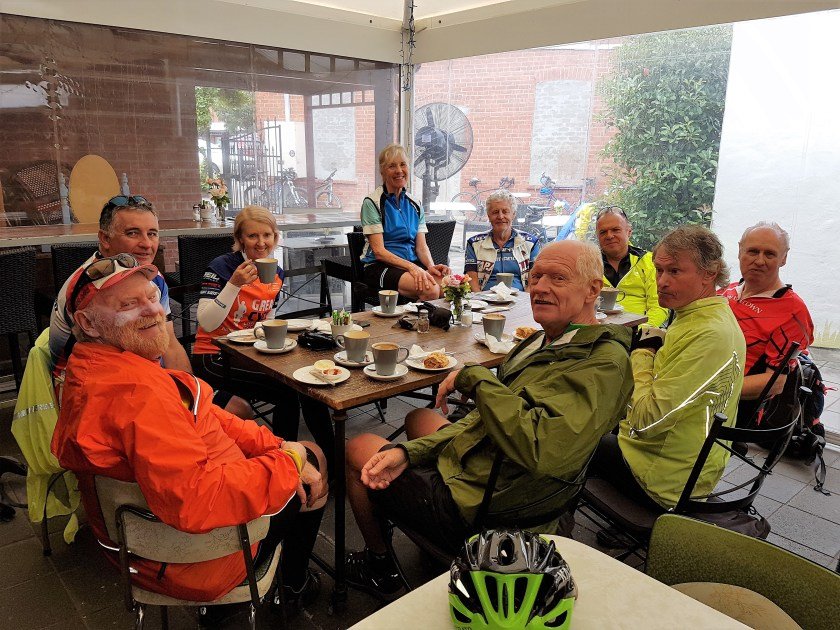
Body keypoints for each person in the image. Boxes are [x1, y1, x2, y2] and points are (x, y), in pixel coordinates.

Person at [344, 240, 634, 599]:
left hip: (495, 511)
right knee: (420, 418)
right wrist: (411, 453)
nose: (540, 287)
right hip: (503, 477)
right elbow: (487, 418)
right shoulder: (546, 340)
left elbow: (541, 447)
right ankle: (428, 549)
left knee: (357, 447)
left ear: (594, 289)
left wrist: (475, 377)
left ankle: (379, 565)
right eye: (537, 275)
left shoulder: (603, 363)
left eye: (558, 278)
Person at [51, 255, 327, 611]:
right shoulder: (137, 394)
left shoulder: (99, 367)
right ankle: (291, 586)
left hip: (148, 546)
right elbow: (198, 500)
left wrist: (275, 444)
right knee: (315, 457)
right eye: (129, 304)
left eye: (152, 297)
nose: (153, 311)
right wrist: (289, 461)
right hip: (198, 561)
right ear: (88, 322)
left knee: (294, 450)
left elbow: (207, 415)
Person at [590, 225, 746, 520]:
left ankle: (552, 542)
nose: (662, 281)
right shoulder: (704, 316)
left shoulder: (709, 334)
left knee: (571, 439)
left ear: (709, 273)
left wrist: (642, 354)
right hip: (687, 460)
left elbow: (646, 420)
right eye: (659, 271)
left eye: (674, 272)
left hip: (666, 481)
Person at [48, 194, 251, 418]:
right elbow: (113, 372)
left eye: (152, 234)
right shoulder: (90, 289)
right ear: (105, 239)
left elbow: (170, 344)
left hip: (149, 381)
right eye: (132, 233)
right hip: (101, 398)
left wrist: (193, 396)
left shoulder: (152, 278)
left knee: (238, 410)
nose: (146, 244)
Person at [191, 205, 335, 470]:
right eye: (252, 236)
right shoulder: (222, 267)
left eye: (267, 235)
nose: (261, 242)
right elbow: (206, 321)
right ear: (240, 240)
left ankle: (334, 460)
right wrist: (234, 284)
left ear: (275, 237)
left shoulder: (275, 273)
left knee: (309, 382)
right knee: (288, 393)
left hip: (251, 352)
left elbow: (265, 319)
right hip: (212, 355)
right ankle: (284, 464)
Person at [720, 222, 814, 426]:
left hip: (730, 407)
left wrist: (705, 389)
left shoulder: (793, 311)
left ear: (784, 258)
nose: (759, 261)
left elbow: (776, 383)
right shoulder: (727, 291)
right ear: (739, 251)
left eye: (769, 254)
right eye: (752, 251)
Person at [360, 143, 451, 301]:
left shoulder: (415, 204)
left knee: (450, 286)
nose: (399, 171)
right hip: (379, 267)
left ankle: (428, 322)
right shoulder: (372, 203)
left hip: (409, 265)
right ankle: (414, 324)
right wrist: (412, 267)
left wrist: (430, 267)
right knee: (430, 291)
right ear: (382, 171)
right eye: (392, 166)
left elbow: (421, 247)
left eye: (403, 164)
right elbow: (379, 252)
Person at [595, 206, 668, 326]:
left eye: (615, 230)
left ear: (629, 232)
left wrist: (642, 330)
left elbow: (659, 306)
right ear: (598, 236)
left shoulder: (649, 261)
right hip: (597, 329)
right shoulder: (589, 264)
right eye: (603, 232)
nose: (609, 236)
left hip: (639, 330)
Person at [464, 189, 541, 292]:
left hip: (519, 301)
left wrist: (524, 304)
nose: (500, 216)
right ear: (488, 215)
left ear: (513, 214)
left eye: (505, 211)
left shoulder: (531, 243)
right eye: (495, 212)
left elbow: (534, 281)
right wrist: (481, 304)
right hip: (485, 302)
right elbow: (471, 280)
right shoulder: (474, 243)